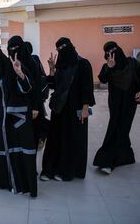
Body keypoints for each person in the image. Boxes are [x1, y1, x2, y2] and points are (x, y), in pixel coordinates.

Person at [0, 43, 38, 197]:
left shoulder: (14, 65)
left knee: (22, 149)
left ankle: (25, 184)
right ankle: (5, 181)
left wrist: (20, 73)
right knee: (5, 149)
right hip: (5, 121)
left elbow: (28, 88)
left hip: (20, 119)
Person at [40, 37, 95, 182]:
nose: (61, 51)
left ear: (71, 46)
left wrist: (85, 108)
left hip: (75, 108)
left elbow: (87, 88)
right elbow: (53, 86)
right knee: (55, 139)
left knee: (71, 139)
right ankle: (50, 169)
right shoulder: (61, 65)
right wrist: (52, 70)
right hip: (59, 109)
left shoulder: (82, 64)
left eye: (63, 47)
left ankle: (66, 171)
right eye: (58, 48)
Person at [93, 41, 140, 174]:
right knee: (115, 128)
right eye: (108, 53)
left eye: (114, 50)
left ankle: (121, 158)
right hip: (115, 103)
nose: (111, 54)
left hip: (130, 102)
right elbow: (103, 80)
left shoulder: (133, 63)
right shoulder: (108, 66)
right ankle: (108, 161)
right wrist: (110, 67)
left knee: (124, 128)